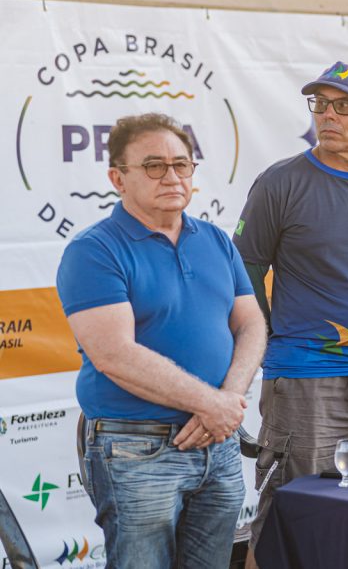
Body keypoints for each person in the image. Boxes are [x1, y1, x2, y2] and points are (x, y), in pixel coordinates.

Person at [55, 113, 266, 568]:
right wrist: (213, 405)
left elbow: (251, 324)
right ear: (117, 178)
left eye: (181, 164)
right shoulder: (94, 251)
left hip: (219, 443)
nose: (171, 176)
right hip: (137, 449)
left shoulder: (216, 240)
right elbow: (115, 356)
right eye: (153, 166)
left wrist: (226, 402)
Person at [233, 60, 348, 553]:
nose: (329, 116)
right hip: (305, 376)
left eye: (344, 105)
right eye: (320, 104)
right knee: (291, 515)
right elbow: (246, 272)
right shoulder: (279, 183)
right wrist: (272, 334)